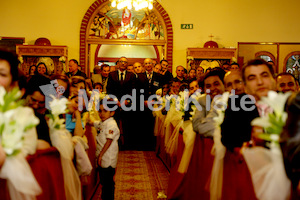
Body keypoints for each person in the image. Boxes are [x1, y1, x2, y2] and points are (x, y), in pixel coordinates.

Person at [93, 100, 120, 200]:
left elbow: (108, 141)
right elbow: (96, 124)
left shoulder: (112, 124)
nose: (101, 114)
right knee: (104, 181)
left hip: (107, 157)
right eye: (100, 111)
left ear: (112, 112)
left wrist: (100, 155)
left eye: (105, 111)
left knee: (108, 183)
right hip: (102, 157)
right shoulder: (103, 122)